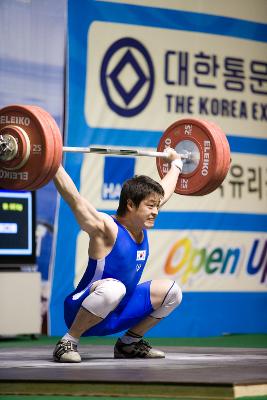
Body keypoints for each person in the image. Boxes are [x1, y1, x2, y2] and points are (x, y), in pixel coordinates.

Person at [52, 148, 183, 362]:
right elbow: (74, 199)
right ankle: (68, 341)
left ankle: (129, 343)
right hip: (81, 310)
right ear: (130, 204)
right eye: (150, 206)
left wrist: (176, 164)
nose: (156, 211)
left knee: (172, 292)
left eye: (157, 206)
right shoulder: (107, 228)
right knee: (115, 288)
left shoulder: (141, 224)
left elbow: (164, 192)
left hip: (118, 311)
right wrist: (52, 162)